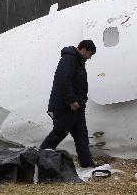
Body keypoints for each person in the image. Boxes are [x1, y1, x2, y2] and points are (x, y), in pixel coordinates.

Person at [40, 40, 97, 168]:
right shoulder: (69, 59)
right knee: (58, 133)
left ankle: (87, 164)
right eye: (89, 53)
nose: (90, 57)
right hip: (66, 107)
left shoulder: (79, 62)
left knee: (81, 135)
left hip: (77, 108)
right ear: (82, 49)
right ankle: (39, 158)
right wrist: (71, 100)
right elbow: (63, 80)